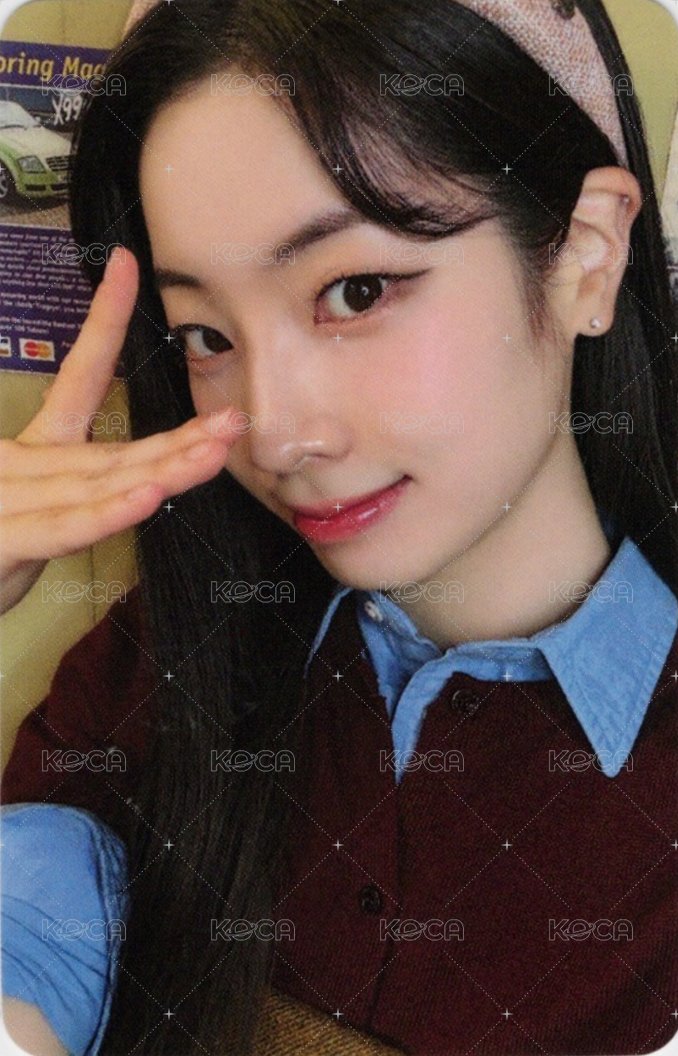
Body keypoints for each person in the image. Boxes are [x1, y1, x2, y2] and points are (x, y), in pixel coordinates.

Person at [1, 0, 677, 1053]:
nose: (275, 433)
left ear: (584, 255)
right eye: (206, 335)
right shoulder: (158, 671)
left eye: (355, 292)